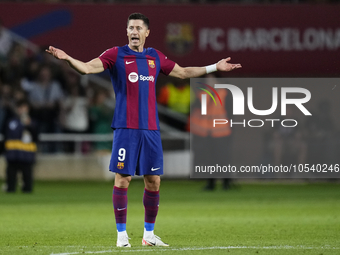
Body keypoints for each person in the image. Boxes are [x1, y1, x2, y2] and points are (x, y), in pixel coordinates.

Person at [46, 13, 241, 247]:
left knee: (154, 181)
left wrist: (213, 66)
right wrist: (68, 58)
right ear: (126, 32)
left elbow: (184, 72)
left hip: (151, 129)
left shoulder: (155, 57)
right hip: (126, 127)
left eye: (139, 28)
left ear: (147, 33)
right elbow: (87, 69)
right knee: (123, 179)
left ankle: (148, 235)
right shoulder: (115, 54)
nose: (134, 31)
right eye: (130, 28)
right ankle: (121, 236)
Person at [4, 100, 38, 193]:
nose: (22, 110)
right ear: (17, 109)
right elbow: (6, 137)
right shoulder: (11, 121)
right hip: (13, 154)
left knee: (28, 182)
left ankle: (27, 192)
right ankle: (10, 189)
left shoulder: (32, 122)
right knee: (11, 181)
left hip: (27, 155)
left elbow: (36, 137)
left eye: (25, 108)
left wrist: (29, 126)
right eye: (20, 108)